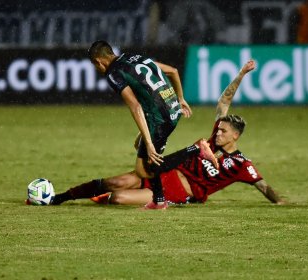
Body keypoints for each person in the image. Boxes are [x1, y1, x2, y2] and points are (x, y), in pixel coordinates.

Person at [50, 60, 284, 207]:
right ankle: (62, 197)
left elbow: (263, 187)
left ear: (236, 137)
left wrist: (280, 201)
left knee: (118, 197)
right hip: (164, 172)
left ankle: (107, 198)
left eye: (224, 131)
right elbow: (225, 100)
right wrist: (241, 74)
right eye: (219, 128)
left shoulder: (241, 164)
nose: (218, 131)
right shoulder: (212, 141)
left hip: (179, 191)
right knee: (115, 181)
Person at [85, 40, 216, 209]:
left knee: (143, 168)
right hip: (172, 109)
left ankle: (196, 150)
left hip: (161, 118)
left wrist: (148, 142)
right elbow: (173, 71)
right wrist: (180, 98)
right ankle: (159, 200)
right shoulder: (133, 56)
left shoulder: (113, 73)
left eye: (95, 66)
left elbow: (135, 106)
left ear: (99, 61)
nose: (97, 70)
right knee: (149, 160)